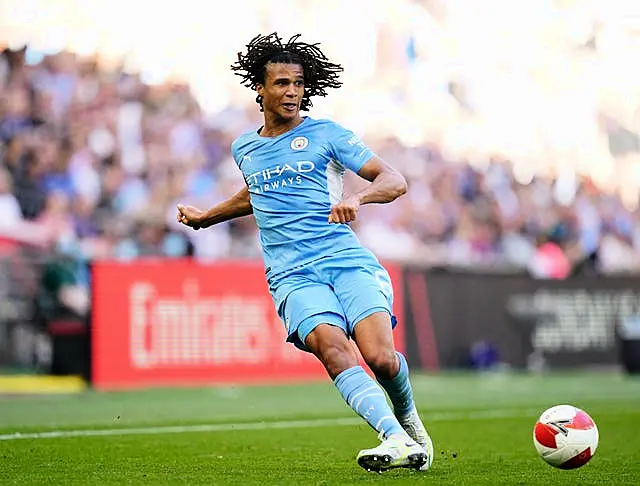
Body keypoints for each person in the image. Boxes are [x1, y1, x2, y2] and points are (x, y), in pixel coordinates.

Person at [177, 33, 434, 472]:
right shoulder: (245, 147)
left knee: (380, 358)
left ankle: (408, 420)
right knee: (333, 349)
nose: (291, 91)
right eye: (280, 83)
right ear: (260, 89)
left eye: (297, 83)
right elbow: (255, 195)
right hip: (292, 274)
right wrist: (208, 218)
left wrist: (359, 198)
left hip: (343, 260)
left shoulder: (326, 134)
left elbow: (394, 179)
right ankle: (391, 437)